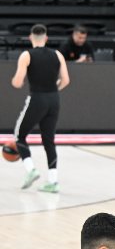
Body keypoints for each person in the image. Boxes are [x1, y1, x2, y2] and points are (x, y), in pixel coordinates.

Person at [10, 24, 70, 193]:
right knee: (49, 140)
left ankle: (31, 170)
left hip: (37, 98)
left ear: (30, 38)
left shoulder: (26, 55)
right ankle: (53, 181)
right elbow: (65, 80)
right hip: (54, 99)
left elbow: (17, 82)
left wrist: (18, 80)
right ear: (46, 38)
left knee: (19, 135)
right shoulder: (57, 54)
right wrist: (52, 91)